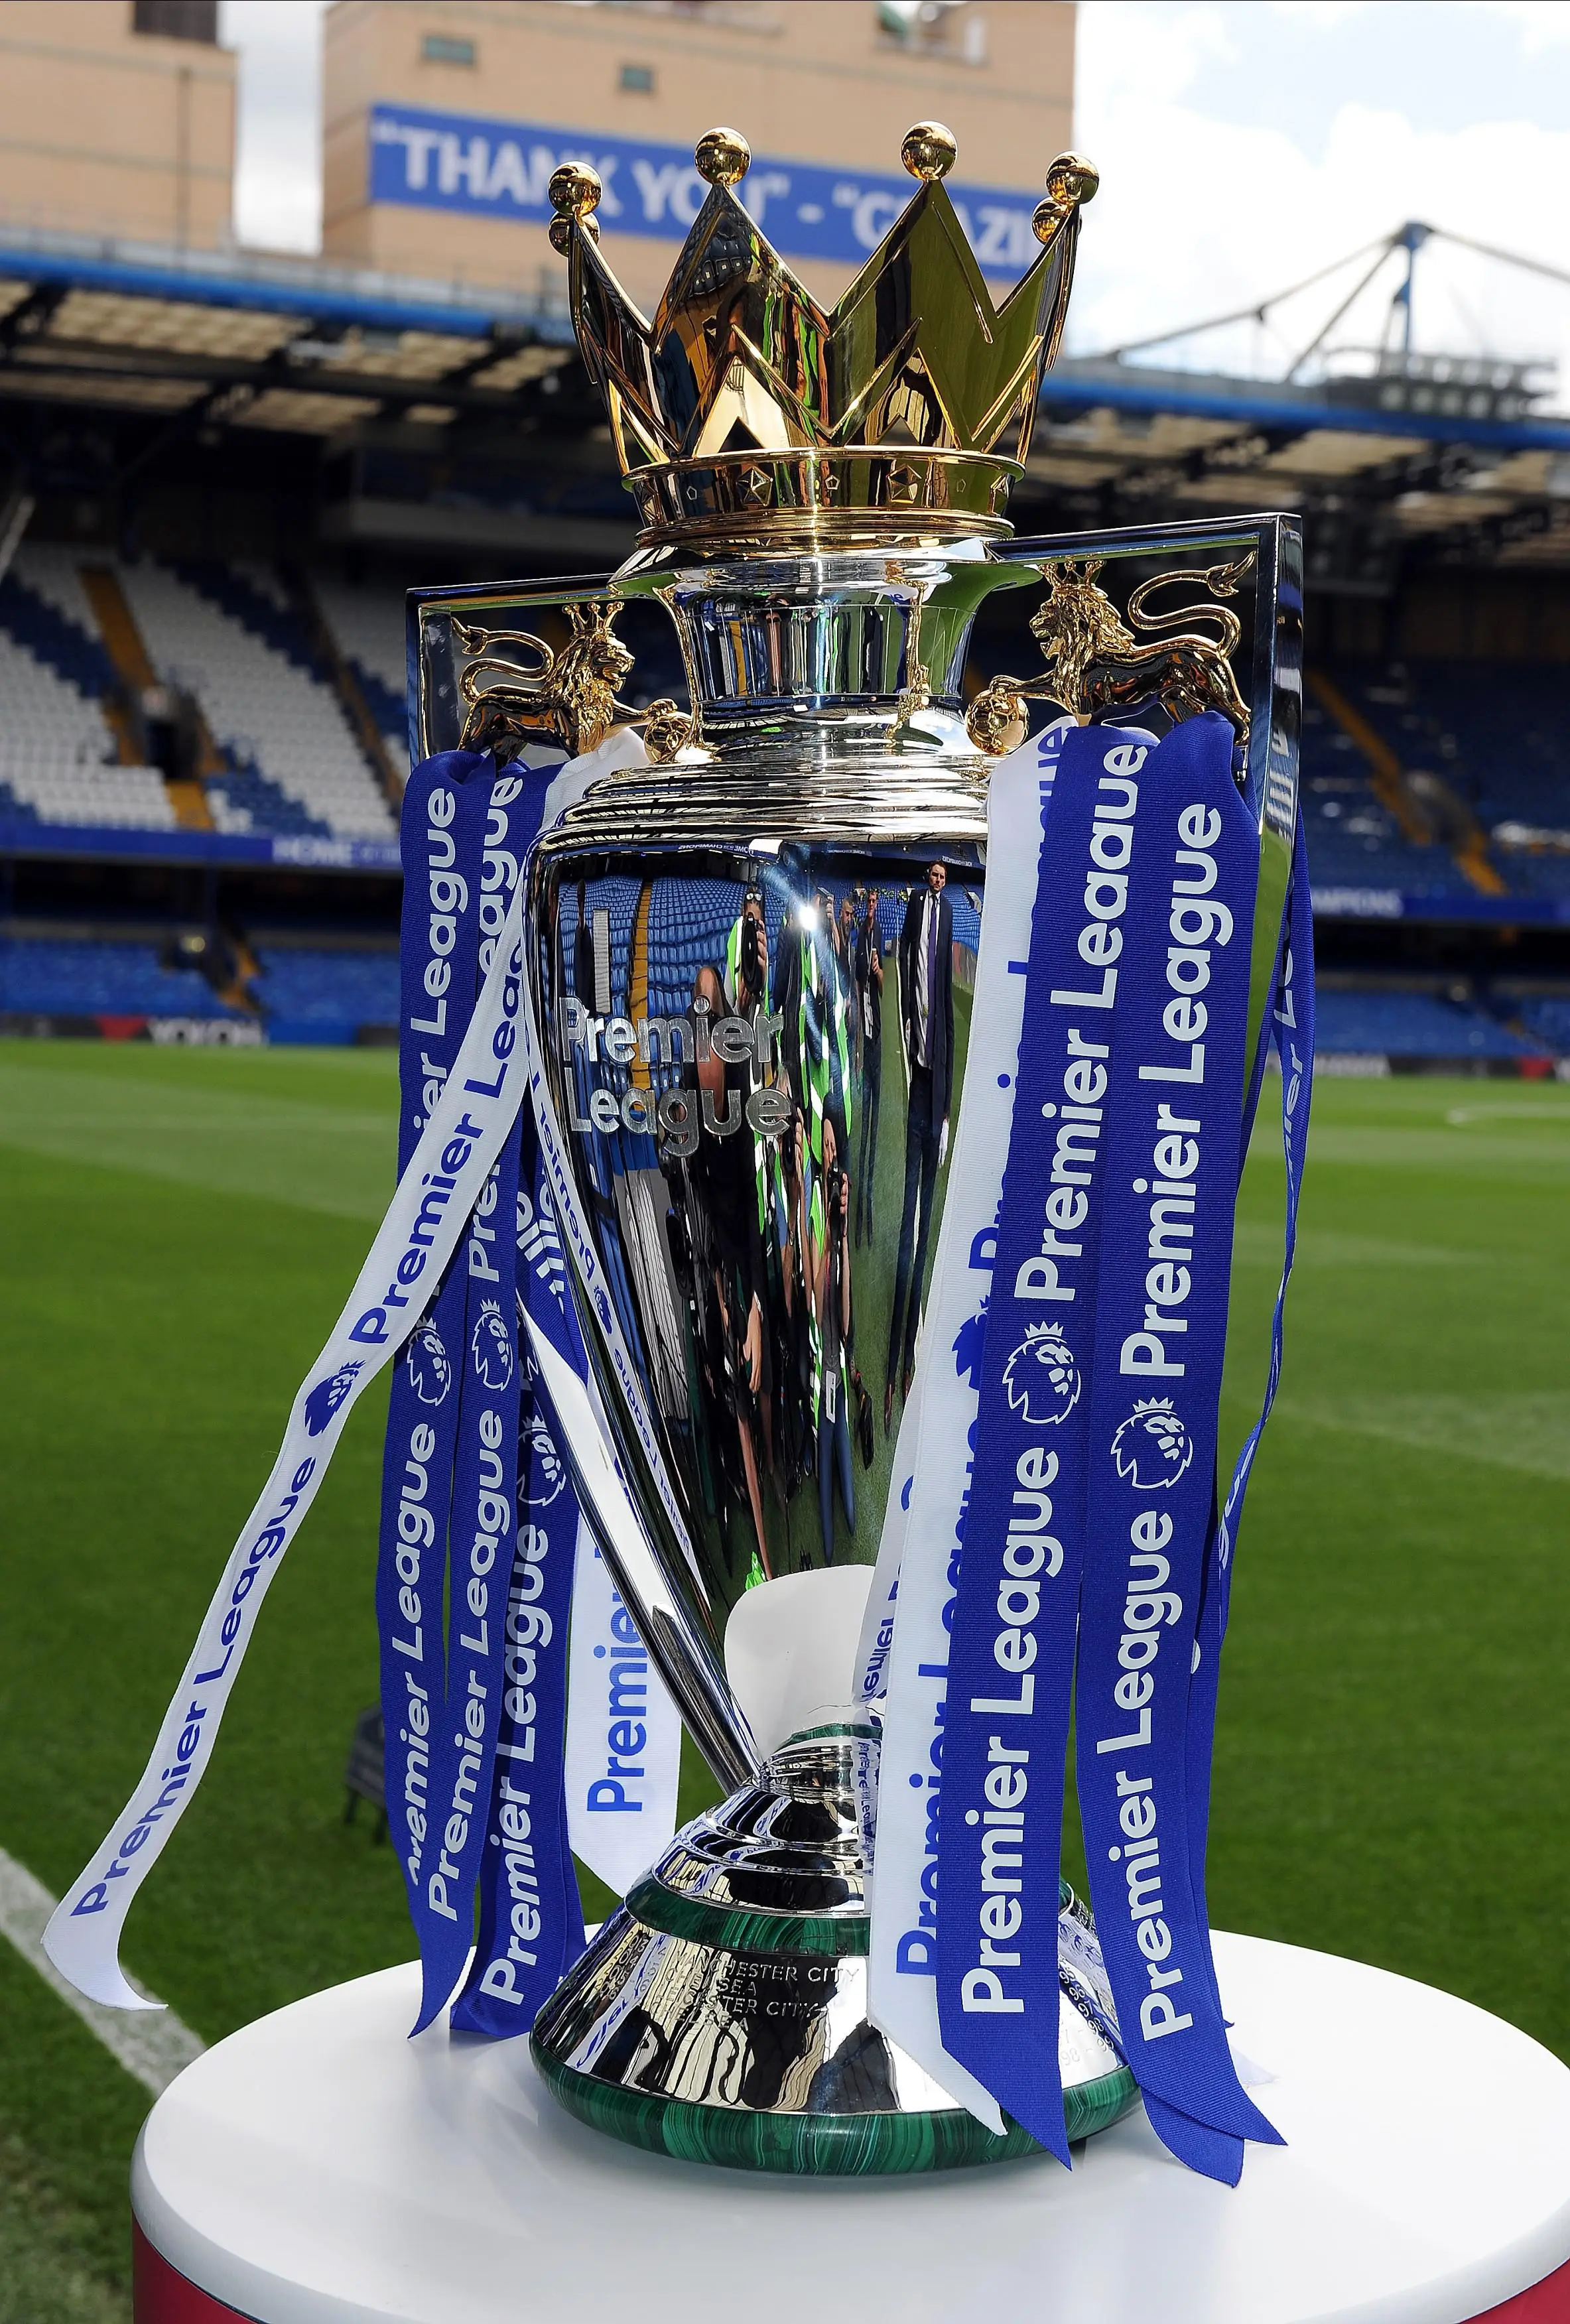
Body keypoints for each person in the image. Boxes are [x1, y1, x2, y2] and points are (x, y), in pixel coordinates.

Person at [886, 860, 953, 1429]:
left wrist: (948, 1108)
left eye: (939, 875)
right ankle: (894, 1366)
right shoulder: (913, 911)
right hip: (913, 1065)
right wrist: (908, 1023)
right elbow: (910, 962)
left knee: (923, 1215)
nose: (934, 881)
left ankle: (914, 1365)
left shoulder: (952, 914)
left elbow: (949, 1021)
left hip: (933, 1085)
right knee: (906, 1208)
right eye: (928, 874)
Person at [854, 888, 883, 1246]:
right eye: (870, 902)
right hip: (862, 1038)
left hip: (877, 1040)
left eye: (877, 902)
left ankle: (869, 1212)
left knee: (874, 1129)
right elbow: (856, 983)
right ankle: (858, 1208)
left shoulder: (877, 938)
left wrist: (878, 973)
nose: (873, 906)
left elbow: (879, 984)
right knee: (862, 1130)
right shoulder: (861, 934)